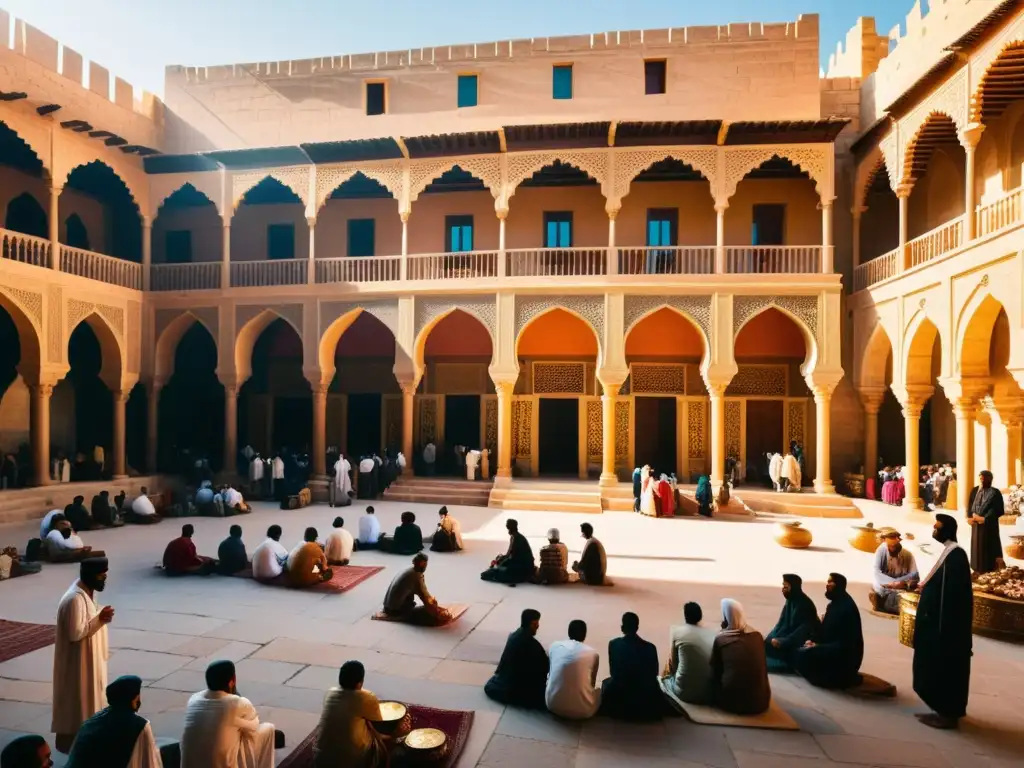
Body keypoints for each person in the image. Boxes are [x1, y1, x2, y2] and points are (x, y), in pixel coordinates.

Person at [913, 513, 973, 729]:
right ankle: (940, 710)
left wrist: (938, 626)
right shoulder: (948, 554)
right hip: (939, 626)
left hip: (946, 631)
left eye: (937, 528)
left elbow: (950, 598)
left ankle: (947, 714)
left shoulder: (955, 558)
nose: (934, 531)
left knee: (945, 670)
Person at [52, 558, 114, 754]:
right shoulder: (74, 600)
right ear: (89, 575)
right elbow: (75, 633)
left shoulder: (87, 593)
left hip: (90, 663)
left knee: (91, 706)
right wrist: (101, 619)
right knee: (79, 708)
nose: (104, 581)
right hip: (79, 667)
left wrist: (99, 618)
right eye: (101, 576)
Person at [181, 660, 279, 768]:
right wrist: (236, 721)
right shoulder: (237, 702)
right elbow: (254, 725)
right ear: (232, 681)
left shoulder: (193, 699)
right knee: (267, 729)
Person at [66, 674, 162, 768]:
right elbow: (149, 762)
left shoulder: (91, 722)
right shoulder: (140, 726)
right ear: (132, 700)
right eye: (137, 698)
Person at [792, 573, 863, 689]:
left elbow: (846, 644)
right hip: (832, 648)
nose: (827, 585)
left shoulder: (846, 608)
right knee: (801, 646)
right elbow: (826, 631)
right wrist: (813, 640)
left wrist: (818, 646)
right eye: (827, 582)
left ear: (839, 585)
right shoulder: (835, 604)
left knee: (804, 655)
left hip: (844, 657)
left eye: (831, 582)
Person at [313, 660, 388, 768]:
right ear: (360, 682)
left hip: (321, 760)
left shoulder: (329, 693)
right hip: (352, 762)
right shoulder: (367, 698)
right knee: (376, 737)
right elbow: (380, 729)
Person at [709, 599, 771, 715]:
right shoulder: (757, 636)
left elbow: (714, 669)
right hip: (761, 703)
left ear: (727, 618)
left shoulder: (721, 639)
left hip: (731, 703)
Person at [601, 612, 661, 721]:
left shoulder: (614, 644)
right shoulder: (651, 648)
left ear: (622, 628)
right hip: (647, 706)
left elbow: (613, 672)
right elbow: (655, 673)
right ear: (637, 627)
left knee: (606, 683)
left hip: (620, 705)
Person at [484, 609, 549, 709]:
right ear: (530, 624)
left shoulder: (514, 635)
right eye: (535, 623)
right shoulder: (530, 643)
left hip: (503, 681)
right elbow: (545, 667)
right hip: (514, 686)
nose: (538, 626)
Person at [764, 574, 820, 672]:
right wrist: (771, 638)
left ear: (793, 587)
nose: (783, 590)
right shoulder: (790, 601)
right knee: (764, 644)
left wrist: (783, 642)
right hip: (787, 637)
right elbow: (781, 624)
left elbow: (802, 632)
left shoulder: (805, 605)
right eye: (783, 586)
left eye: (786, 587)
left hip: (800, 642)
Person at [546, 619, 601, 719]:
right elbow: (592, 683)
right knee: (600, 689)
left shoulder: (554, 646)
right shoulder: (593, 654)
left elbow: (550, 672)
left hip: (552, 705)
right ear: (584, 635)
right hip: (584, 711)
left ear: (569, 632)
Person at [664, 602, 716, 704]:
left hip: (684, 692)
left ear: (685, 616)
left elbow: (674, 665)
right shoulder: (713, 634)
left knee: (667, 668)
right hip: (709, 693)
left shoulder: (677, 632)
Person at [381, 553, 452, 626]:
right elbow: (426, 598)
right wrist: (437, 612)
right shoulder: (416, 576)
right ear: (422, 564)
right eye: (425, 564)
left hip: (387, 607)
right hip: (396, 611)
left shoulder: (409, 570)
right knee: (430, 615)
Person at [870, 532, 919, 614]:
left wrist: (904, 583)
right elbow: (877, 575)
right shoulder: (880, 552)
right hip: (885, 594)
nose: (891, 548)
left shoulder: (908, 555)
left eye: (894, 545)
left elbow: (915, 576)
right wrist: (893, 583)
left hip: (903, 592)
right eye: (889, 545)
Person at [968, 470, 1004, 574]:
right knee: (976, 546)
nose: (982, 481)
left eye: (984, 479)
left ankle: (990, 569)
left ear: (990, 480)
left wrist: (984, 518)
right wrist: (970, 517)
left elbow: (998, 509)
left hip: (989, 526)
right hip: (976, 525)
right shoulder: (975, 490)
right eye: (980, 478)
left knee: (989, 547)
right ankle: (976, 568)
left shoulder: (995, 492)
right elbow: (970, 505)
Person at [480, 518, 535, 585]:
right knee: (499, 563)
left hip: (523, 569)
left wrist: (501, 563)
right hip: (520, 565)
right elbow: (509, 554)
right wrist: (501, 559)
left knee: (495, 572)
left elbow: (512, 556)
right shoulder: (516, 536)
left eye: (508, 527)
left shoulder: (516, 538)